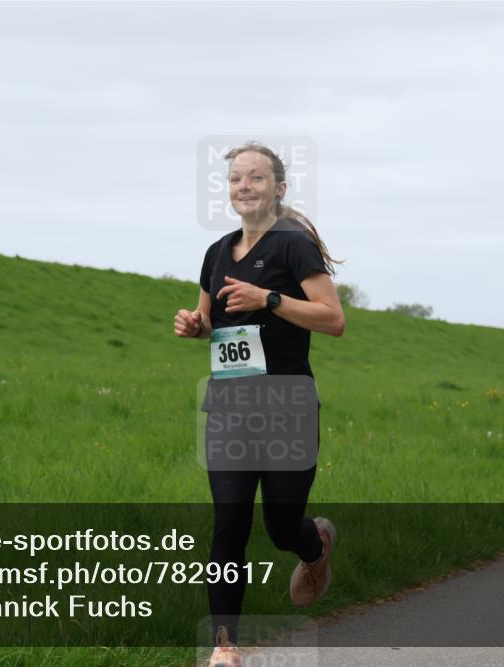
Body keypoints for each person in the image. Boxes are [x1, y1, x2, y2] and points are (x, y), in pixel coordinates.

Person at [174, 141, 346, 667]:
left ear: (279, 188)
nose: (243, 186)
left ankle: (314, 545)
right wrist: (195, 325)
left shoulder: (294, 248)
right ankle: (224, 647)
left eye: (255, 177)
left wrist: (267, 299)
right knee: (229, 524)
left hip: (288, 406)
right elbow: (212, 321)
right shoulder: (217, 252)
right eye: (235, 179)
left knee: (279, 526)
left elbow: (333, 319)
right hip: (229, 406)